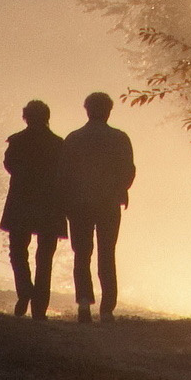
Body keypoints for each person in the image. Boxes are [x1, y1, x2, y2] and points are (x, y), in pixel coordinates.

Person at [62, 90, 135, 323]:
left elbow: (64, 173)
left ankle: (84, 303)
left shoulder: (73, 138)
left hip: (79, 204)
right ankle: (107, 308)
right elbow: (128, 170)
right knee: (107, 253)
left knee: (82, 253)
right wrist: (120, 189)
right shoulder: (120, 138)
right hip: (108, 202)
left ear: (87, 110)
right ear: (108, 111)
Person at [1, 99, 67, 319]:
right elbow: (64, 172)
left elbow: (9, 166)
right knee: (45, 256)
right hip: (49, 203)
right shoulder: (59, 144)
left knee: (17, 250)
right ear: (47, 118)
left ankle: (25, 290)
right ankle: (40, 308)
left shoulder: (17, 141)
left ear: (25, 117)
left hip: (21, 201)